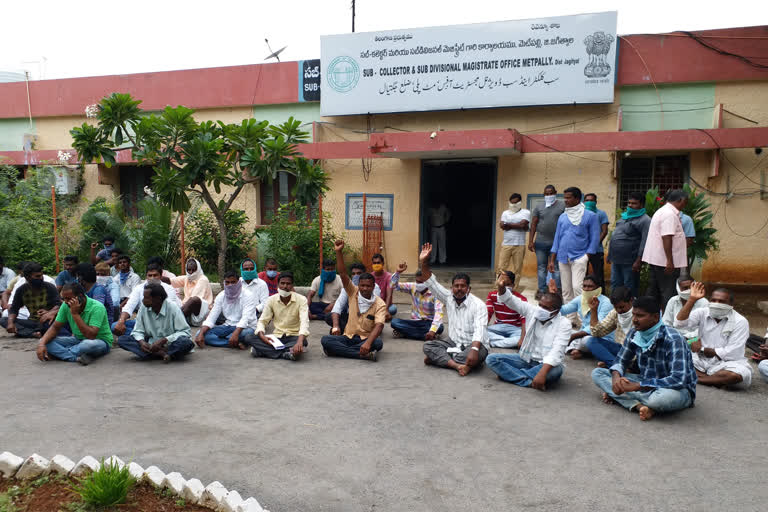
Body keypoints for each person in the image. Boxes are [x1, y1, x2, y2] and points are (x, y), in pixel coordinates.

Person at [592, 296, 697, 421]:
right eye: (634, 315)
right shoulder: (635, 333)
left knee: (658, 400)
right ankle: (639, 406)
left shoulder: (673, 339)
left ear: (655, 317)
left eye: (640, 316)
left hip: (674, 389)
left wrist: (636, 386)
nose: (635, 320)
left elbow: (679, 380)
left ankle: (620, 397)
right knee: (598, 373)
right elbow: (621, 360)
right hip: (645, 381)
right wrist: (615, 379)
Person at [485, 277, 570, 389]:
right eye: (540, 305)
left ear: (556, 311)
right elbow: (511, 300)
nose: (541, 309)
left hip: (546, 365)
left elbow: (557, 351)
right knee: (492, 359)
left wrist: (542, 373)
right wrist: (501, 287)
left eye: (546, 308)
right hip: (526, 359)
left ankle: (511, 375)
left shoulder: (564, 324)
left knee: (556, 370)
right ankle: (529, 381)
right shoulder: (532, 311)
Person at [419, 243, 488, 376]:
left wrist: (474, 349)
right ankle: (458, 365)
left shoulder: (479, 305)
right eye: (456, 286)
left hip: (474, 344)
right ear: (452, 288)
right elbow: (431, 282)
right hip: (454, 341)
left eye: (463, 286)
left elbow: (480, 330)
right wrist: (424, 262)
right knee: (428, 346)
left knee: (476, 354)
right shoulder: (448, 297)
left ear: (469, 289)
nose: (459, 289)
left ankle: (443, 360)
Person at [675, 282, 752, 389]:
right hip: (700, 360)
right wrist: (692, 300)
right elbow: (679, 323)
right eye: (714, 300)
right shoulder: (702, 312)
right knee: (675, 359)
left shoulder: (740, 321)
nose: (716, 303)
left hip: (726, 363)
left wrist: (702, 348)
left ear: (731, 305)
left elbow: (733, 353)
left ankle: (698, 378)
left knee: (736, 375)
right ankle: (713, 380)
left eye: (721, 301)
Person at [321, 240, 386, 361]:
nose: (365, 288)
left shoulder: (380, 303)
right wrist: (339, 252)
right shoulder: (352, 292)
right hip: (348, 336)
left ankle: (340, 351)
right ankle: (363, 354)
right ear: (359, 286)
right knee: (325, 340)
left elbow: (379, 326)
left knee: (377, 343)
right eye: (362, 286)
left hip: (365, 338)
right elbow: (342, 273)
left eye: (368, 286)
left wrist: (367, 343)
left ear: (373, 287)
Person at [548, 187, 600, 312]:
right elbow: (557, 238)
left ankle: (583, 319)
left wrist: (586, 256)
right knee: (566, 291)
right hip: (562, 257)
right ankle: (570, 320)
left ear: (577, 198)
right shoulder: (563, 217)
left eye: (568, 197)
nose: (565, 200)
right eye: (564, 197)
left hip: (580, 257)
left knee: (578, 288)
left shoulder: (590, 216)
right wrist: (552, 259)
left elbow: (595, 238)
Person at [35, 283, 112, 365]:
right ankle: (75, 357)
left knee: (87, 345)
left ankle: (61, 353)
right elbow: (55, 327)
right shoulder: (65, 305)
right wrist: (42, 344)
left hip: (99, 341)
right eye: (64, 299)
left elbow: (91, 336)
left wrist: (75, 314)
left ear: (80, 296)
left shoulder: (97, 307)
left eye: (68, 299)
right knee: (43, 341)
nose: (66, 302)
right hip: (77, 339)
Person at [116, 283, 194, 362]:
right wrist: (142, 342)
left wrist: (164, 340)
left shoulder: (173, 307)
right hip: (151, 343)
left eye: (146, 298)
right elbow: (137, 331)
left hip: (170, 343)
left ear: (158, 298)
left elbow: (185, 332)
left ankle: (155, 353)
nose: (143, 300)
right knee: (122, 340)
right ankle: (163, 354)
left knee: (186, 343)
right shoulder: (143, 308)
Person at [245, 271, 310, 360]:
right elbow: (263, 320)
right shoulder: (271, 299)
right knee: (249, 337)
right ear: (277, 285)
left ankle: (261, 351)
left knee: (303, 342)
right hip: (276, 337)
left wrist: (299, 341)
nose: (285, 286)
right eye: (282, 283)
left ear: (292, 286)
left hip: (294, 336)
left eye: (288, 284)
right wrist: (262, 336)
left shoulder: (302, 299)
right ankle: (286, 354)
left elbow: (304, 321)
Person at [641, 189, 688, 309]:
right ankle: (667, 320)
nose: (686, 204)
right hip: (665, 262)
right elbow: (667, 237)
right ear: (680, 200)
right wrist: (670, 261)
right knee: (668, 293)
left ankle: (650, 316)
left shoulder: (662, 211)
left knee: (654, 291)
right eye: (685, 201)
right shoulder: (669, 214)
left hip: (658, 260)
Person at [112, 263, 182, 336]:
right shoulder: (139, 288)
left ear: (161, 276)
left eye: (155, 275)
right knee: (115, 326)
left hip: (162, 323)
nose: (152, 278)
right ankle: (145, 337)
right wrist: (121, 321)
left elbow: (170, 310)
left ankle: (143, 337)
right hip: (142, 322)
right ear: (146, 276)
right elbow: (129, 306)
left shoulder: (168, 288)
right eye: (150, 275)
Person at [195, 271, 256, 349]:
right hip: (228, 326)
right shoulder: (221, 296)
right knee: (198, 334)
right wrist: (201, 333)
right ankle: (234, 343)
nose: (230, 285)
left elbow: (245, 319)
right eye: (227, 282)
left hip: (246, 327)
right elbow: (211, 318)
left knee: (247, 335)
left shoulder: (248, 295)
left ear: (238, 282)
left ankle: (230, 340)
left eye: (233, 282)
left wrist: (235, 333)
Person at [560, 275, 614, 359]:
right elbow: (563, 310)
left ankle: (580, 351)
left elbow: (597, 327)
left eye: (590, 286)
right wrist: (554, 296)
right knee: (562, 331)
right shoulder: (580, 299)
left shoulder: (606, 303)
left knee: (587, 340)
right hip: (582, 335)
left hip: (600, 338)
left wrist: (574, 336)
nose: (586, 289)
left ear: (598, 288)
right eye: (584, 286)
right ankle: (577, 351)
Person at [608, 192, 651, 297]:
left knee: (629, 286)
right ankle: (615, 309)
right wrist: (610, 254)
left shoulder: (645, 220)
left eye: (634, 203)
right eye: (629, 203)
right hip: (616, 259)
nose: (630, 205)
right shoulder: (624, 217)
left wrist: (638, 260)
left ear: (641, 205)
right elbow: (615, 235)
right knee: (615, 284)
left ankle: (631, 310)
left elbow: (645, 241)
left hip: (630, 261)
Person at [0, 263, 61, 338]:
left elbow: (59, 304)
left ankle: (27, 332)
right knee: (4, 320)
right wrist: (10, 323)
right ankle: (34, 333)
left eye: (41, 275)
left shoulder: (49, 287)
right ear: (28, 277)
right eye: (37, 276)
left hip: (48, 320)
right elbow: (14, 309)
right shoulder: (21, 290)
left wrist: (50, 312)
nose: (41, 278)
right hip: (32, 321)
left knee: (51, 324)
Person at [390, 262, 444, 341]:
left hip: (429, 323)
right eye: (417, 281)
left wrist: (432, 330)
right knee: (394, 322)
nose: (418, 284)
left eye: (421, 282)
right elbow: (393, 286)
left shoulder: (436, 293)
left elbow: (438, 314)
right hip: (415, 322)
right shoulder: (413, 286)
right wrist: (398, 272)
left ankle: (406, 333)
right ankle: (424, 336)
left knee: (440, 327)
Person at [528, 185, 565, 298]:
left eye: (551, 193)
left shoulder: (562, 205)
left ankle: (557, 291)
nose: (549, 196)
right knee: (541, 267)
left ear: (555, 193)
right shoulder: (539, 207)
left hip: (557, 244)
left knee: (557, 268)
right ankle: (542, 290)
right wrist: (531, 241)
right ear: (544, 194)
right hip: (541, 243)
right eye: (547, 194)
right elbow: (533, 224)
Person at [327, 262, 382, 334]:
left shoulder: (374, 287)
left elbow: (375, 310)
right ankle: (349, 331)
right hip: (351, 318)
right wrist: (335, 326)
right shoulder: (348, 287)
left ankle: (352, 332)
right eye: (353, 274)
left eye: (359, 273)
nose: (356, 276)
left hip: (367, 319)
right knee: (329, 316)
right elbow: (338, 306)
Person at [585, 286, 635, 366]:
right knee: (591, 341)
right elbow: (596, 333)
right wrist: (594, 310)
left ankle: (617, 366)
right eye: (616, 307)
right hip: (620, 349)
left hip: (636, 353)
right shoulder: (615, 313)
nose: (619, 311)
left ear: (631, 300)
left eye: (622, 307)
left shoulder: (640, 312)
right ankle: (617, 366)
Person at [486, 271, 527, 348]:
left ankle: (493, 343)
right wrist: (482, 329)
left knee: (524, 338)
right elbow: (488, 312)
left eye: (507, 284)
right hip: (498, 327)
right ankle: (508, 342)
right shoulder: (492, 295)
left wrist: (522, 339)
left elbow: (524, 319)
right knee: (480, 332)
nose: (503, 286)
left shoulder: (521, 299)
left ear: (513, 285)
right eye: (501, 283)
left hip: (515, 328)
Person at [661, 276, 709, 341]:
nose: (689, 290)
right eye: (685, 288)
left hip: (696, 338)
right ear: (678, 288)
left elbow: (705, 328)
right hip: (674, 337)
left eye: (691, 287)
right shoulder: (673, 301)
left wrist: (686, 337)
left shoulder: (704, 302)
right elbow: (666, 322)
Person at [498, 193, 530, 287]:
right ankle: (499, 287)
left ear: (520, 202)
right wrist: (517, 225)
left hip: (520, 245)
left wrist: (509, 224)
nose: (513, 205)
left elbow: (523, 225)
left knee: (517, 269)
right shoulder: (505, 213)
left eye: (515, 203)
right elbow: (502, 226)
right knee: (501, 267)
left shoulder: (525, 212)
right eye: (511, 203)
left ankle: (514, 288)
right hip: (506, 244)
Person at [170, 258, 213, 327]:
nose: (191, 272)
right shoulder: (187, 278)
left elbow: (193, 299)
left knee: (194, 300)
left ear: (198, 269)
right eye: (189, 270)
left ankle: (172, 321)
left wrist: (179, 308)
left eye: (193, 270)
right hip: (187, 310)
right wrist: (157, 277)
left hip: (201, 312)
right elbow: (171, 281)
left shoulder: (203, 279)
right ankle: (175, 319)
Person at [583, 193, 609, 289]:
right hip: (582, 250)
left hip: (597, 250)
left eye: (592, 200)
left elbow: (604, 231)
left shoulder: (601, 214)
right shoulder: (580, 214)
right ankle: (584, 295)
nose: (589, 202)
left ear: (596, 202)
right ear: (584, 202)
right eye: (587, 200)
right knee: (582, 274)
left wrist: (594, 244)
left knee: (598, 275)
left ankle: (600, 295)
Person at [371, 253, 397, 319]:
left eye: (378, 263)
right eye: (374, 263)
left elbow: (389, 295)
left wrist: (386, 309)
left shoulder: (389, 276)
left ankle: (380, 314)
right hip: (373, 304)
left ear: (383, 264)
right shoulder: (370, 276)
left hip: (385, 304)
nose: (376, 265)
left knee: (393, 309)